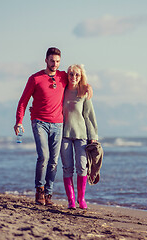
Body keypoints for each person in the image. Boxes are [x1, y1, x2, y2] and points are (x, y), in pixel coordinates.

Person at [14, 47, 92, 206]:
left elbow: (77, 77)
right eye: (52, 61)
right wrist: (19, 121)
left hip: (58, 124)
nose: (55, 64)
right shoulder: (35, 78)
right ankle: (39, 189)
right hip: (39, 122)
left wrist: (88, 86)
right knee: (44, 156)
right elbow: (23, 101)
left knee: (54, 161)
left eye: (57, 61)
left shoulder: (63, 76)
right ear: (46, 60)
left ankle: (49, 193)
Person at [60, 64, 98, 209]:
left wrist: (93, 136)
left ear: (81, 76)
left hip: (81, 136)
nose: (74, 77)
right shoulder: (62, 91)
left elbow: (89, 116)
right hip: (64, 135)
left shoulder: (84, 91)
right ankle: (71, 200)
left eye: (77, 75)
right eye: (71, 74)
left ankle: (81, 199)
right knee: (67, 168)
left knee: (82, 167)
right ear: (67, 75)